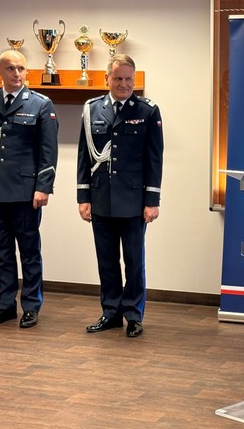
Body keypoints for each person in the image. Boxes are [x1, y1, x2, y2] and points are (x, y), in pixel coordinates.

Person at [0, 50, 59, 329]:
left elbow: (48, 151)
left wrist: (43, 187)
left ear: (27, 71)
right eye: (10, 68)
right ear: (0, 71)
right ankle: (5, 305)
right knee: (2, 251)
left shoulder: (40, 104)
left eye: (21, 68)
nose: (16, 73)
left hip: (25, 191)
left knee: (29, 251)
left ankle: (31, 306)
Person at [77, 54, 164, 338]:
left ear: (134, 80)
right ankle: (111, 313)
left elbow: (154, 160)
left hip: (133, 201)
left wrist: (152, 202)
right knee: (106, 261)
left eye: (128, 79)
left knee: (134, 262)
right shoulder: (92, 109)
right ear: (107, 79)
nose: (123, 84)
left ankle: (134, 315)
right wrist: (83, 197)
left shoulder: (148, 111)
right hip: (101, 197)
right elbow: (84, 156)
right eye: (118, 78)